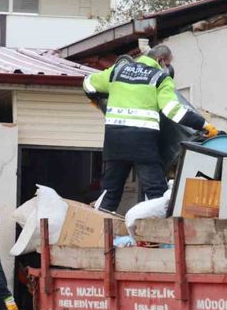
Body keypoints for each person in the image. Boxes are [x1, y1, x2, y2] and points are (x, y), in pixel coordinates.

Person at [83, 45, 219, 211]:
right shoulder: (160, 78)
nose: (167, 68)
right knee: (156, 193)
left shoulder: (118, 71)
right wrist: (204, 125)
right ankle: (159, 234)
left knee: (110, 192)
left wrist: (97, 98)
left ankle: (99, 232)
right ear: (160, 60)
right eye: (167, 64)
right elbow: (172, 111)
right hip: (142, 143)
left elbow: (88, 83)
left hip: (114, 141)